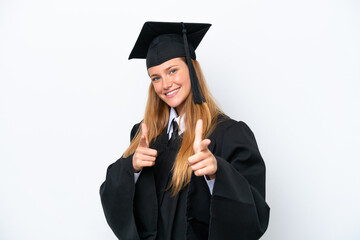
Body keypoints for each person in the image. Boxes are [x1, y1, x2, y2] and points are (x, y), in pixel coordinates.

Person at [100, 21, 270, 240]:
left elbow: (255, 215)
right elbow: (111, 197)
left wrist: (218, 173)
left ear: (191, 69)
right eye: (156, 78)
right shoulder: (144, 135)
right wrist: (130, 168)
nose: (165, 84)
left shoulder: (228, 134)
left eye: (172, 71)